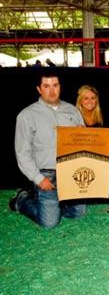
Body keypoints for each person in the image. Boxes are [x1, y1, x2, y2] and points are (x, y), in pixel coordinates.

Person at [10, 73, 87, 228]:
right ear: (39, 89)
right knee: (50, 223)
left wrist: (83, 134)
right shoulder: (27, 115)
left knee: (79, 212)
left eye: (55, 85)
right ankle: (22, 199)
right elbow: (22, 152)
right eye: (46, 86)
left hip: (70, 171)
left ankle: (55, 204)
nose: (51, 91)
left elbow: (84, 144)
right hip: (46, 173)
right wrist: (39, 179)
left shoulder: (72, 111)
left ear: (60, 87)